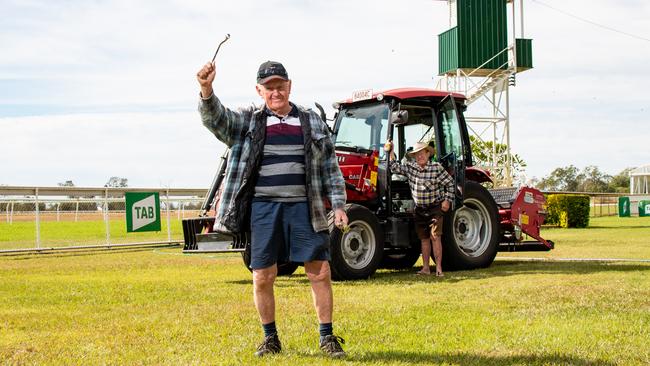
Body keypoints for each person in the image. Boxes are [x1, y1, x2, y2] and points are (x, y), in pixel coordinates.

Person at [195, 60, 349, 358]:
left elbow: (331, 165)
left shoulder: (311, 120)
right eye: (269, 87)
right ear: (259, 90)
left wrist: (339, 204)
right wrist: (206, 89)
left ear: (289, 86)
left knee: (320, 273)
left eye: (280, 86)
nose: (275, 92)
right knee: (262, 276)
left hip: (306, 208)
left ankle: (327, 338)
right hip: (263, 210)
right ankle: (270, 338)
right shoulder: (248, 121)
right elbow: (217, 119)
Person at [386, 141, 454, 276]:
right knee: (424, 239)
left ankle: (439, 268)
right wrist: (391, 151)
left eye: (422, 153)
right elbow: (394, 167)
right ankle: (426, 268)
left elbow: (450, 183)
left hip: (435, 207)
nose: (419, 157)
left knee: (435, 237)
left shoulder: (436, 168)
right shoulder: (411, 167)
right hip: (419, 209)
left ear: (428, 154)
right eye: (417, 155)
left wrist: (447, 200)